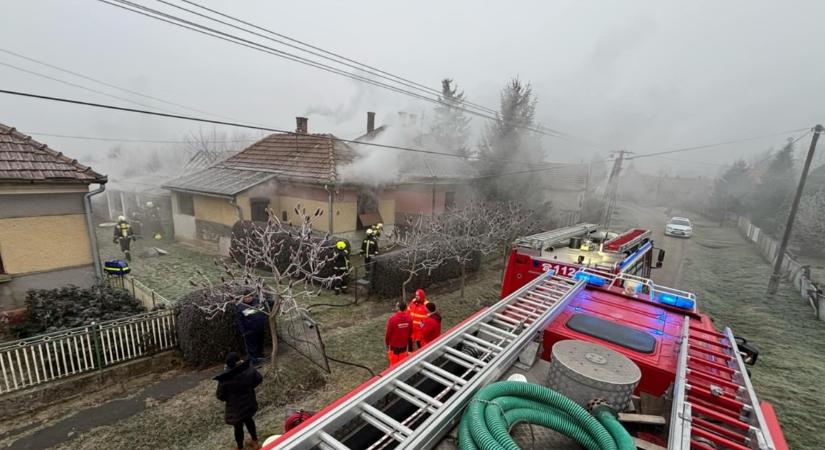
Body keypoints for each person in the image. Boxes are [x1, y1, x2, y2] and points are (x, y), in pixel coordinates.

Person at [215, 352, 263, 450]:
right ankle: (255, 441)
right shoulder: (248, 370)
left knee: (238, 427)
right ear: (239, 361)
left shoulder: (225, 379)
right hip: (249, 402)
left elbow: (220, 396)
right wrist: (250, 387)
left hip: (235, 409)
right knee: (249, 420)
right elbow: (258, 378)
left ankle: (240, 447)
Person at [235, 291, 267, 365]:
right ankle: (254, 361)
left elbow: (266, 305)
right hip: (249, 331)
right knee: (251, 347)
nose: (248, 298)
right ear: (243, 297)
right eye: (246, 297)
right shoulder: (241, 306)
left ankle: (260, 356)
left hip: (260, 328)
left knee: (260, 343)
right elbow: (239, 321)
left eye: (249, 296)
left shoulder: (257, 301)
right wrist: (244, 332)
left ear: (252, 296)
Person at [385, 301, 413, 367]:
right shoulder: (409, 318)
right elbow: (410, 331)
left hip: (394, 345)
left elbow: (388, 333)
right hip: (404, 344)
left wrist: (387, 342)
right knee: (402, 362)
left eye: (396, 306)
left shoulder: (392, 319)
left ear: (398, 308)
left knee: (393, 363)